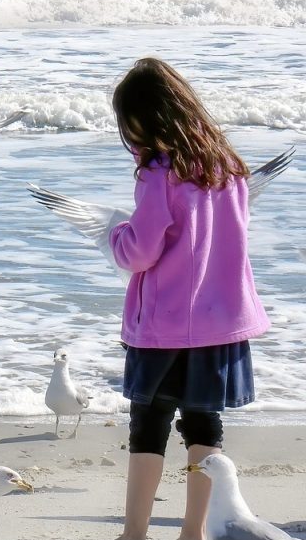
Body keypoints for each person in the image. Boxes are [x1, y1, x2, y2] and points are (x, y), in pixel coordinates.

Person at [108, 58, 271, 540]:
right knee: (205, 424)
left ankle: (135, 532)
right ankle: (193, 531)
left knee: (149, 422)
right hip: (221, 322)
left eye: (131, 128)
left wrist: (118, 234)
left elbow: (140, 250)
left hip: (166, 324)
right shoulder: (227, 167)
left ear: (151, 119)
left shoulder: (158, 173)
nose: (132, 140)